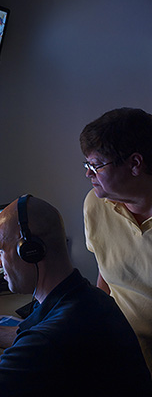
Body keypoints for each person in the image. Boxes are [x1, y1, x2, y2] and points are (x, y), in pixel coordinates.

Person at [0, 195, 152, 397]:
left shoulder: (47, 341)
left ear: (30, 251)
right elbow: (27, 335)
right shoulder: (90, 298)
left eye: (1, 250)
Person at [80, 107, 152, 374]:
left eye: (96, 166)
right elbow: (107, 271)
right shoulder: (95, 205)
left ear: (135, 164)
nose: (88, 174)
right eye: (86, 165)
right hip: (121, 349)